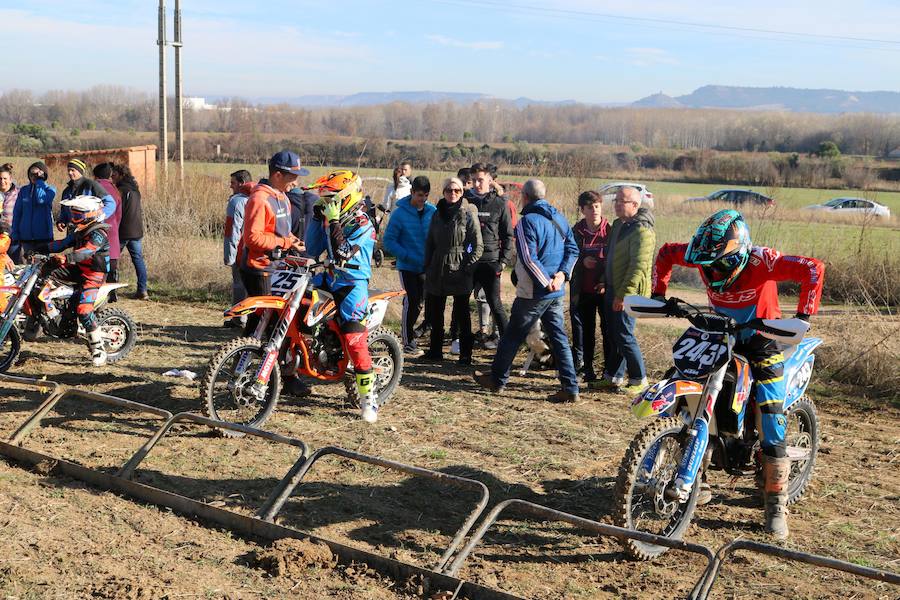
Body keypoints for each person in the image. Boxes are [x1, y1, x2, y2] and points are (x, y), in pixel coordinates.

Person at [652, 209, 825, 539]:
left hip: (764, 339)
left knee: (771, 414)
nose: (712, 270)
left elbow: (812, 268)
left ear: (740, 254)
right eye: (706, 265)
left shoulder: (764, 262)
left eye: (719, 264)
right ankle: (696, 475)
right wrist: (659, 295)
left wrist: (804, 316)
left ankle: (776, 502)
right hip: (720, 334)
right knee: (682, 382)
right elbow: (665, 254)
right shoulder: (702, 254)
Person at [473, 179, 580, 403]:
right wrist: (562, 276)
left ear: (526, 198)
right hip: (556, 291)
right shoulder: (559, 218)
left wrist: (547, 281)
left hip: (534, 292)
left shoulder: (526, 223)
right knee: (559, 337)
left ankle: (497, 379)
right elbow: (573, 249)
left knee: (512, 336)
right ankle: (571, 388)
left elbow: (529, 259)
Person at [304, 170, 379, 422]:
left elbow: (343, 253)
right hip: (327, 277)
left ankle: (369, 399)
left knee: (354, 338)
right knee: (304, 317)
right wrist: (316, 219)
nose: (326, 203)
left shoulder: (362, 224)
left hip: (352, 283)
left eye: (329, 199)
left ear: (345, 197)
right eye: (322, 199)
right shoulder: (329, 217)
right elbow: (313, 249)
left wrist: (334, 222)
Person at [593, 186, 655, 395]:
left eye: (622, 201)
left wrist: (623, 295)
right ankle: (613, 377)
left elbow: (637, 267)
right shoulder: (619, 225)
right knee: (614, 335)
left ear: (635, 205)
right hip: (612, 287)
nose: (617, 205)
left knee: (624, 335)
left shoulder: (643, 231)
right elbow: (610, 257)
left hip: (630, 292)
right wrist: (604, 280)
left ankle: (640, 379)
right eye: (616, 200)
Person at [422, 177, 483, 365]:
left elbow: (476, 244)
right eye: (449, 190)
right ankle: (435, 351)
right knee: (435, 312)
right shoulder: (436, 213)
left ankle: (465, 355)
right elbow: (431, 242)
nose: (453, 193)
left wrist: (467, 264)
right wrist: (428, 265)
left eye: (456, 190)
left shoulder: (467, 213)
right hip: (438, 267)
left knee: (462, 314)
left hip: (459, 267)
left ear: (462, 192)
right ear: (443, 192)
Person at [44, 196, 111, 366]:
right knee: (42, 274)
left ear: (91, 214)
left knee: (83, 310)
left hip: (94, 275)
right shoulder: (80, 231)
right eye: (73, 214)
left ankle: (98, 349)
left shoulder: (98, 233)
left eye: (78, 215)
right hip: (79, 270)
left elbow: (85, 253)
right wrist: (40, 248)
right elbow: (61, 244)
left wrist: (65, 258)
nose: (74, 219)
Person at [383, 175, 435, 357]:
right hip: (407, 266)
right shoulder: (400, 214)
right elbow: (388, 241)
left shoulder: (432, 211)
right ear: (412, 192)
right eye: (419, 194)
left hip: (426, 266)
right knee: (411, 301)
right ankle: (407, 340)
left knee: (420, 303)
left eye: (426, 195)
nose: (422, 199)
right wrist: (406, 255)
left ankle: (412, 334)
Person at [466, 162, 514, 346]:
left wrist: (503, 261)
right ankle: (459, 342)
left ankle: (507, 344)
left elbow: (508, 235)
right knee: (461, 303)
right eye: (474, 181)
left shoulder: (500, 203)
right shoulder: (465, 201)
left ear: (490, 180)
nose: (477, 184)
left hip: (491, 261)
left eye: (481, 180)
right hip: (468, 261)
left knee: (495, 304)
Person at [570, 191, 611, 387]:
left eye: (597, 206)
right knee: (587, 331)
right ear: (582, 210)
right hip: (582, 289)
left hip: (603, 289)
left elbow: (614, 261)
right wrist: (581, 260)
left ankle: (608, 370)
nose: (594, 210)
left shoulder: (610, 230)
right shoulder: (576, 231)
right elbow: (568, 255)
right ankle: (587, 368)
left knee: (607, 330)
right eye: (589, 207)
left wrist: (604, 280)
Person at [111, 163, 149, 300]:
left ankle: (110, 291)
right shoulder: (135, 189)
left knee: (111, 259)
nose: (112, 177)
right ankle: (143, 290)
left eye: (114, 175)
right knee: (138, 260)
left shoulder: (120, 190)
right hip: (136, 230)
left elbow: (117, 211)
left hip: (123, 231)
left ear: (121, 175)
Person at [224, 169, 253, 326]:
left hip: (240, 251)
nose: (230, 186)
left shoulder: (237, 202)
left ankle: (238, 319)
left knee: (239, 285)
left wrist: (229, 256)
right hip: (255, 251)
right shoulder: (258, 198)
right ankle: (248, 319)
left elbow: (232, 230)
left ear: (242, 184)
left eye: (233, 183)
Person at [11, 161, 56, 263]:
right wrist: (15, 233)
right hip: (26, 238)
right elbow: (17, 213)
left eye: (37, 174)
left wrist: (40, 182)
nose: (33, 177)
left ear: (43, 175)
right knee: (28, 268)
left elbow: (41, 199)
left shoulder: (50, 189)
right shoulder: (24, 191)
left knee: (41, 267)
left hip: (43, 237)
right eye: (31, 174)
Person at [92, 163, 123, 302]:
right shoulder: (115, 190)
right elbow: (119, 215)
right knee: (111, 262)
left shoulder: (93, 187)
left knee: (96, 265)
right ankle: (112, 291)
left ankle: (97, 295)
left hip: (96, 231)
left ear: (96, 175)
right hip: (113, 230)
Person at [58, 159, 115, 226]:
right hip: (73, 231)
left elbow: (111, 203)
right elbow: (64, 211)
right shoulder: (66, 191)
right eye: (68, 170)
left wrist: (100, 214)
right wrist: (62, 221)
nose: (70, 173)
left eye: (72, 170)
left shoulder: (91, 185)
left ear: (80, 171)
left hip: (91, 229)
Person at [0, 163, 19, 260]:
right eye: (0, 179)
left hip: (14, 239)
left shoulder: (19, 194)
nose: (2, 181)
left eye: (5, 178)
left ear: (10, 179)